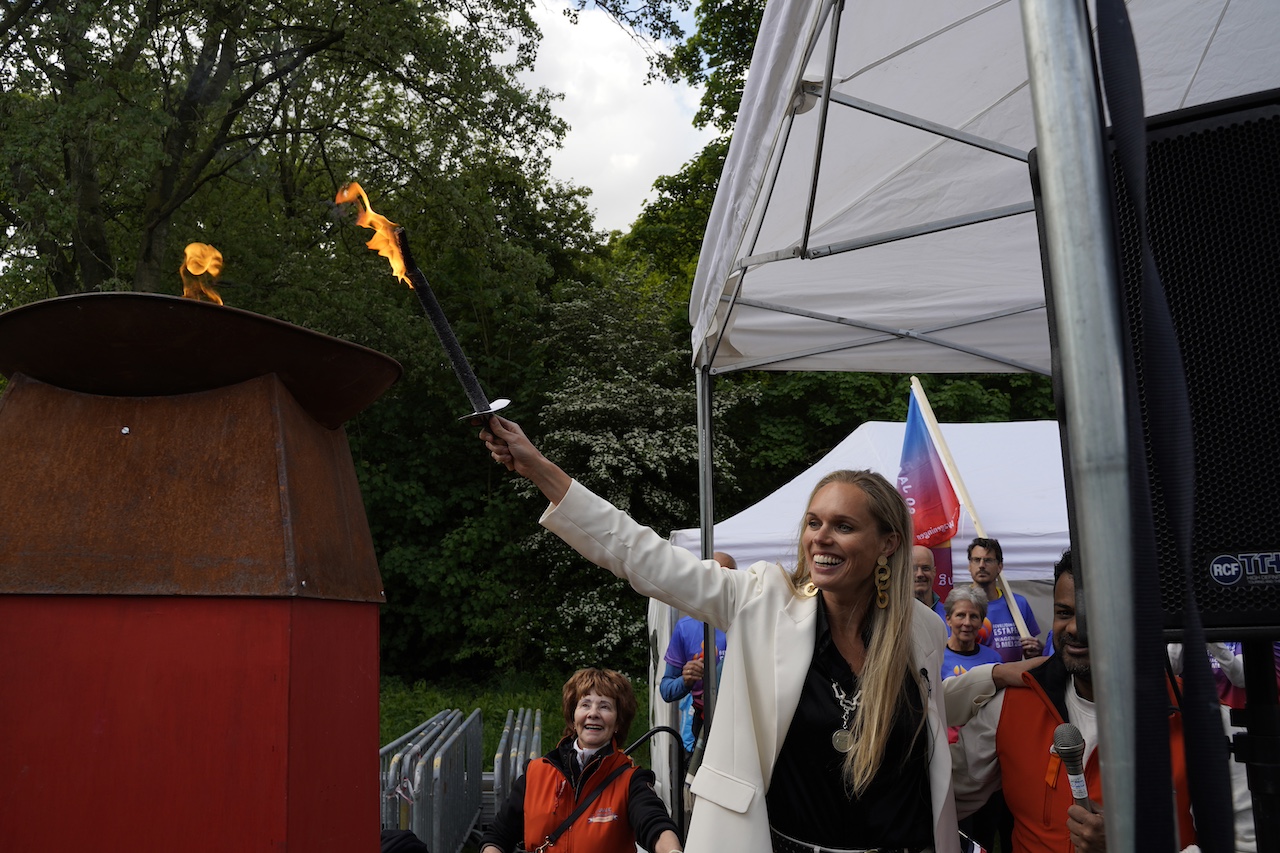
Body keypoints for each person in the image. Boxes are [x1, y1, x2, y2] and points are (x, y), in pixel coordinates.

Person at [479, 415, 1006, 853]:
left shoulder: (922, 628)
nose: (820, 537)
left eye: (843, 526)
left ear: (888, 543)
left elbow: (924, 709)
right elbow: (642, 555)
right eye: (814, 522)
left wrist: (996, 677)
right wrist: (540, 468)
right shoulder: (763, 600)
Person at [951, 549, 1197, 853]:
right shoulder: (1010, 706)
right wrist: (995, 674)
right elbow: (940, 798)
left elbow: (1239, 841)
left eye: (1095, 615)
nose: (1075, 628)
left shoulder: (1195, 715)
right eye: (1064, 613)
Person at [479, 667, 682, 853]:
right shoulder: (535, 773)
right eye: (585, 705)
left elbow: (654, 823)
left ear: (618, 722)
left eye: (605, 707)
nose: (593, 713)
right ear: (573, 717)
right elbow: (497, 836)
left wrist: (672, 851)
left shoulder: (631, 780)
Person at [660, 551, 735, 746]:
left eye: (725, 576)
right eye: (710, 577)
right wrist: (686, 680)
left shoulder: (749, 623)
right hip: (703, 723)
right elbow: (666, 691)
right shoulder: (686, 627)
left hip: (741, 721)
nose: (717, 583)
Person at [968, 537, 1043, 661]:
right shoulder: (960, 605)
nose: (981, 565)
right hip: (976, 673)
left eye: (988, 560)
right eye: (976, 560)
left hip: (1013, 673)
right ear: (969, 566)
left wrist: (1037, 649)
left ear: (1000, 566)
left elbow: (1032, 649)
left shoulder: (1018, 604)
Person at [942, 587, 1003, 681]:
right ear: (948, 619)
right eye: (961, 615)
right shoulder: (936, 658)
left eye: (973, 616)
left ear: (981, 622)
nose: (967, 623)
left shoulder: (993, 659)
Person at [914, 544, 947, 621]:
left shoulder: (949, 616)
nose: (919, 574)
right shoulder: (894, 615)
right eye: (914, 569)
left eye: (925, 568)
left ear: (934, 572)